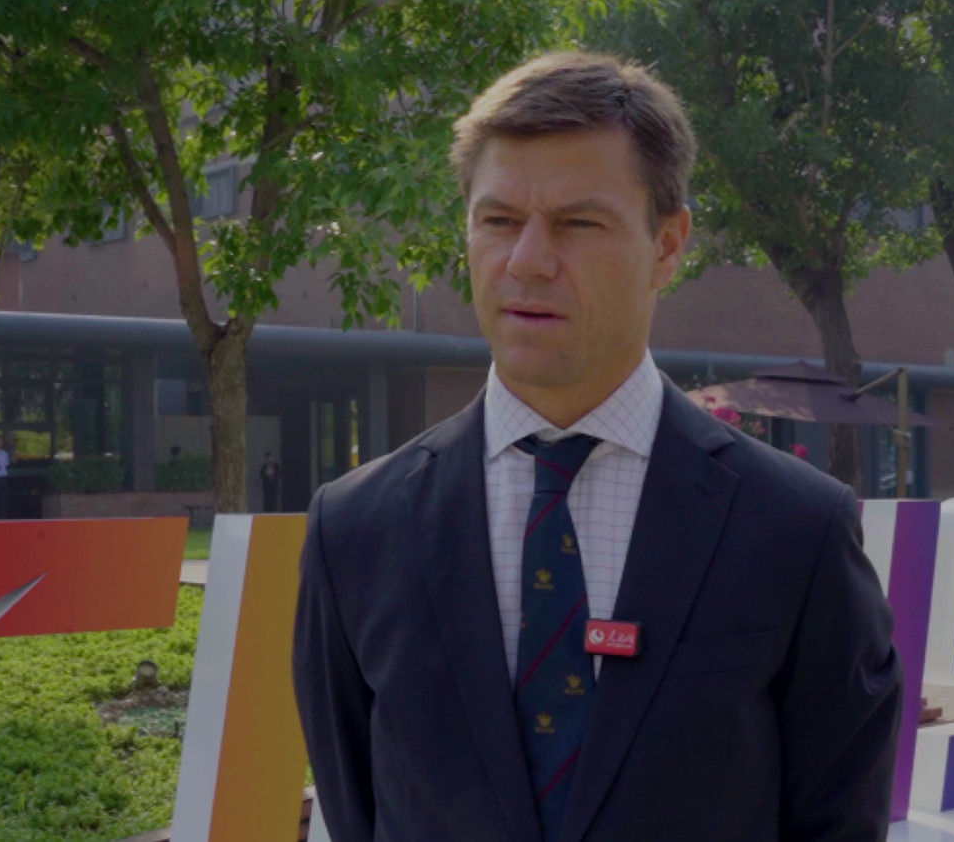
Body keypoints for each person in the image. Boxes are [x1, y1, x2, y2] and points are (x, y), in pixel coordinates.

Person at [293, 53, 901, 842]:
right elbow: (356, 810)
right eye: (497, 220)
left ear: (667, 244)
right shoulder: (354, 531)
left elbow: (838, 821)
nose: (526, 261)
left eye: (578, 223)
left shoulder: (796, 529)